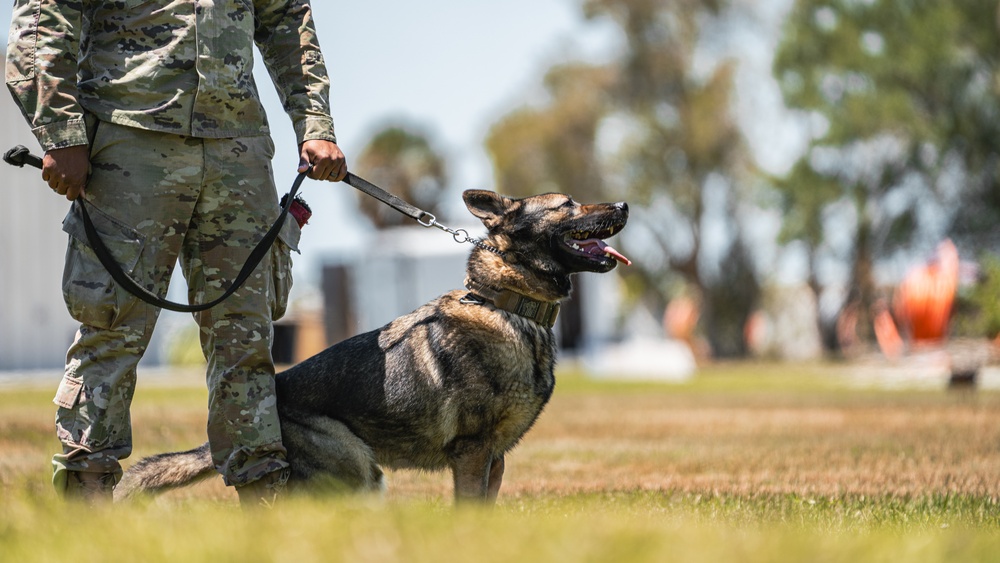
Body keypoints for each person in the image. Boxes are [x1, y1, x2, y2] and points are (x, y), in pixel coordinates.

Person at [5, 0, 347, 507]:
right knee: (112, 328)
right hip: (128, 141)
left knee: (245, 336)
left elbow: (284, 17)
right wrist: (60, 133)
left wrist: (315, 123)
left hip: (237, 147)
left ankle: (268, 509)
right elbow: (42, 20)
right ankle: (86, 503)